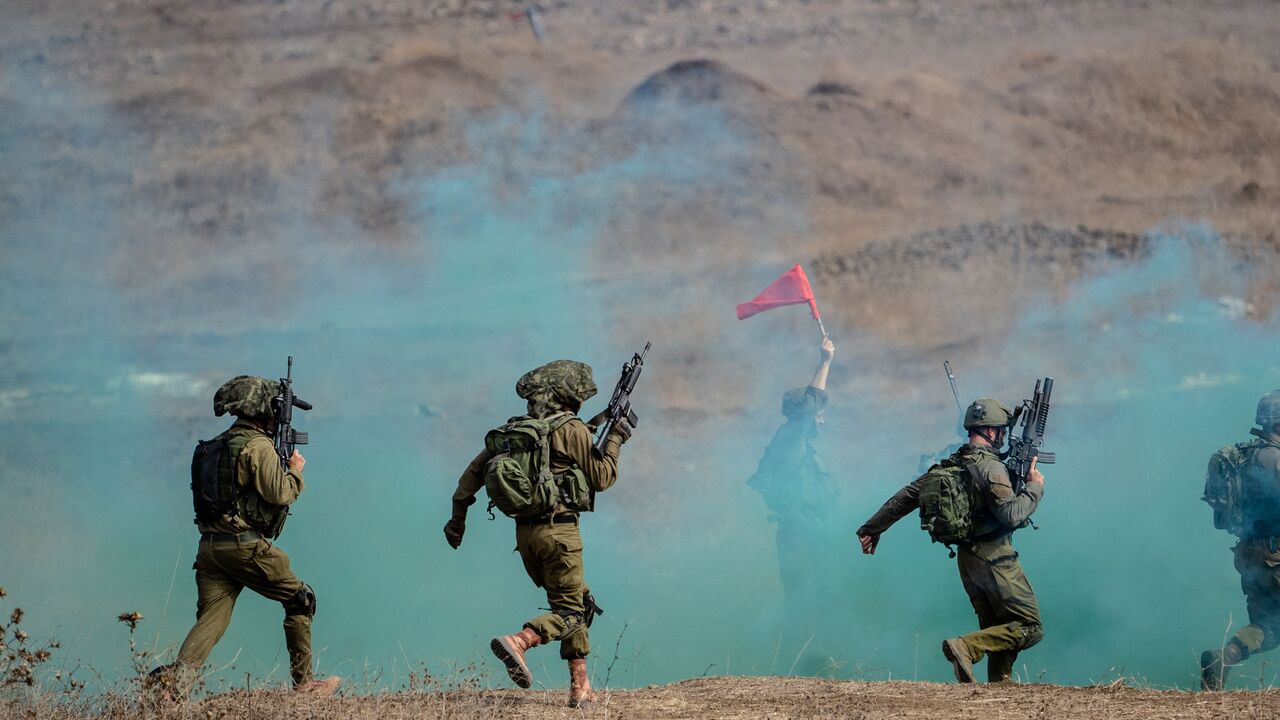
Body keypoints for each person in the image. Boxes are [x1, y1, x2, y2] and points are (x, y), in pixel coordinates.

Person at [443, 359, 631, 708]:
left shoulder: (515, 431)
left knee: (577, 602)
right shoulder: (571, 429)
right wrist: (616, 438)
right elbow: (602, 477)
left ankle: (580, 687)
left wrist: (458, 520)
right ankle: (521, 640)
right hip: (559, 534)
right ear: (567, 394)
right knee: (570, 613)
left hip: (526, 537)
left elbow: (471, 475)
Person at [153, 375, 339, 696]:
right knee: (300, 599)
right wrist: (294, 469)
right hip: (244, 547)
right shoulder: (257, 446)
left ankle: (172, 685)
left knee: (212, 621)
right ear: (262, 409)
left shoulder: (220, 444)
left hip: (210, 550)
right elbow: (279, 493)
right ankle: (306, 685)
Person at [856, 398, 1046, 683]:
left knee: (996, 629)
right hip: (995, 558)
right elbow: (1011, 514)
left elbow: (907, 496)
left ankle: (1001, 689)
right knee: (1030, 627)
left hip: (968, 561)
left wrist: (872, 528)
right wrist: (1034, 487)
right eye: (1000, 430)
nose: (1004, 436)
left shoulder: (952, 464)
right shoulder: (991, 468)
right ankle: (965, 647)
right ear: (991, 432)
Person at [747, 337, 838, 620]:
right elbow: (810, 406)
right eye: (818, 415)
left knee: (824, 602)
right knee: (802, 604)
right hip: (798, 535)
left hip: (814, 532)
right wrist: (825, 362)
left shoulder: (803, 450)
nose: (821, 420)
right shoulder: (789, 439)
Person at [1200, 390, 1280, 690]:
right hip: (1275, 554)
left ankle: (1224, 656)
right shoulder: (1274, 459)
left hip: (1251, 555)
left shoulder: (1245, 456)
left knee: (1270, 627)